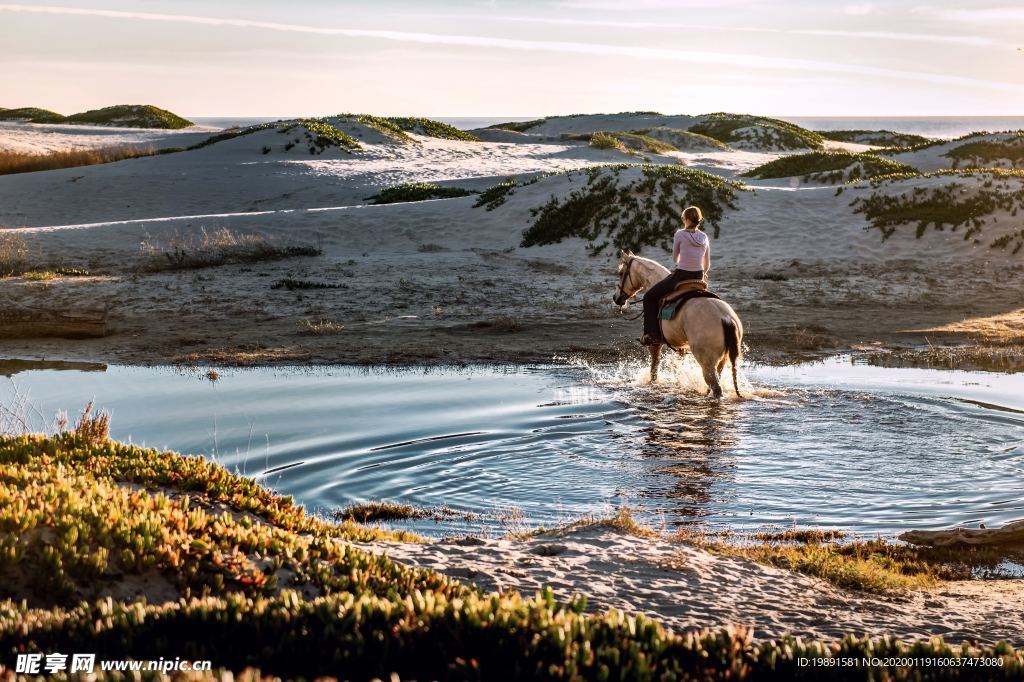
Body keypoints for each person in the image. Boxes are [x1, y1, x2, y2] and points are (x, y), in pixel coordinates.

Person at [640, 205, 710, 345]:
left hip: (681, 275)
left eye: (684, 218)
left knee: (648, 297)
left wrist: (684, 261)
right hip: (698, 277)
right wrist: (703, 273)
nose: (683, 220)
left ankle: (652, 335)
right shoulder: (704, 236)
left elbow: (675, 258)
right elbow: (707, 263)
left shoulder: (679, 234)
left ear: (688, 219)